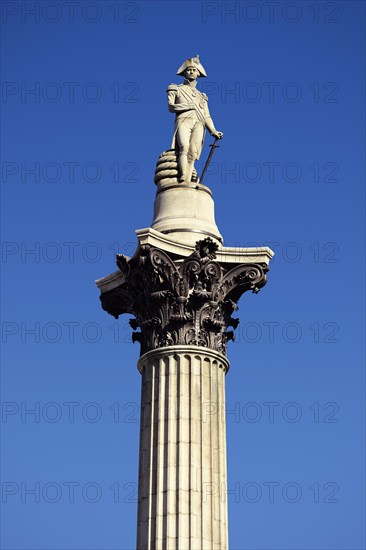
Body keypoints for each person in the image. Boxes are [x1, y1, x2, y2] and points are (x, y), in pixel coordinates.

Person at [167, 55, 223, 183]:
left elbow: (206, 115)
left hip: (199, 123)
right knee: (184, 147)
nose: (191, 72)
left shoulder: (201, 96)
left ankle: (187, 178)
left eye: (194, 70)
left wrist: (213, 130)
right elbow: (171, 107)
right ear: (184, 72)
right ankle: (183, 175)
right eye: (189, 69)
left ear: (198, 74)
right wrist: (188, 106)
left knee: (193, 153)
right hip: (183, 120)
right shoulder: (176, 88)